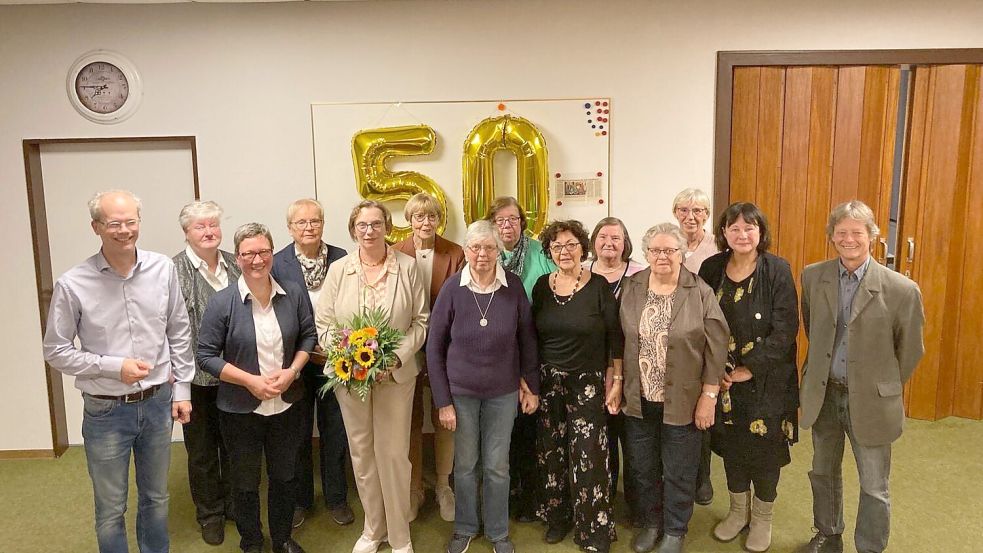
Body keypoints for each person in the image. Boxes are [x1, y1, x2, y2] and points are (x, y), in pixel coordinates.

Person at [42, 189, 194, 553]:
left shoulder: (163, 268)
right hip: (106, 410)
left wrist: (183, 390)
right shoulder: (73, 283)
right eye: (114, 224)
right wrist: (113, 367)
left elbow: (178, 328)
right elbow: (55, 351)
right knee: (111, 508)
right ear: (96, 227)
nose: (124, 231)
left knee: (157, 498)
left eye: (131, 222)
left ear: (139, 222)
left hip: (158, 402)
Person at [797, 201, 925, 553]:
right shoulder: (812, 276)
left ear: (872, 236)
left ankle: (869, 546)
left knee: (873, 484)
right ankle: (828, 533)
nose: (849, 239)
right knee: (822, 471)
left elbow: (910, 350)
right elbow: (814, 330)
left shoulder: (902, 290)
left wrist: (881, 384)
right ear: (831, 237)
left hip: (871, 401)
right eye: (841, 233)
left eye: (857, 232)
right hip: (824, 395)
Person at [316, 200, 428, 553]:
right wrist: (349, 355)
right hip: (351, 378)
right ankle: (373, 530)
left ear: (387, 227)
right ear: (353, 229)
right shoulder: (338, 271)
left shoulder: (408, 268)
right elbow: (325, 324)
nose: (369, 231)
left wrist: (394, 357)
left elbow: (421, 321)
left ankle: (399, 537)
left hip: (395, 377)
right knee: (362, 454)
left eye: (376, 224)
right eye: (362, 225)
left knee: (393, 455)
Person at [197, 223, 315, 553]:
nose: (258, 260)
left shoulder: (293, 291)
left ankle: (282, 538)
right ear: (237, 259)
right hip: (239, 410)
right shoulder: (222, 303)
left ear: (272, 254)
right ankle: (251, 541)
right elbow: (205, 355)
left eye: (264, 251)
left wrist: (292, 371)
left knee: (285, 476)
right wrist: (249, 380)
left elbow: (308, 336)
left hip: (288, 405)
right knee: (245, 483)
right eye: (249, 253)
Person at [427, 220, 539, 553]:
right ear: (466, 251)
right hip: (461, 394)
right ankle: (464, 527)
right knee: (464, 465)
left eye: (489, 247)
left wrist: (530, 385)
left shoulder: (513, 287)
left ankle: (498, 531)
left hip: (503, 393)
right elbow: (434, 346)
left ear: (497, 251)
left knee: (497, 465)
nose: (482, 254)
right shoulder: (452, 289)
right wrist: (442, 401)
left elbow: (528, 339)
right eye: (475, 247)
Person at [619, 223, 728, 553]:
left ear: (681, 254)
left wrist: (709, 396)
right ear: (646, 253)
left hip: (682, 400)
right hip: (638, 399)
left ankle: (675, 530)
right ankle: (652, 523)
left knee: (680, 470)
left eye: (670, 250)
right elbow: (619, 338)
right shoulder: (632, 286)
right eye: (655, 250)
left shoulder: (700, 291)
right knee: (641, 466)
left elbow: (717, 347)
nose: (662, 256)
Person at [698, 203, 799, 552]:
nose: (742, 234)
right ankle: (738, 511)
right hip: (722, 378)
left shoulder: (777, 270)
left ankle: (762, 517)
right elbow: (701, 321)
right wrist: (718, 371)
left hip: (767, 379)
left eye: (749, 228)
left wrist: (747, 368)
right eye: (734, 228)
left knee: (765, 450)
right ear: (723, 233)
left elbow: (786, 330)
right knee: (732, 446)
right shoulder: (712, 268)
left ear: (761, 232)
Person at [533, 219, 622, 553]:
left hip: (588, 382)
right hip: (549, 382)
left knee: (588, 456)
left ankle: (593, 529)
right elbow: (533, 335)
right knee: (551, 452)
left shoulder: (598, 286)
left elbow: (616, 339)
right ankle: (558, 518)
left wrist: (617, 381)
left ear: (583, 248)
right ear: (549, 252)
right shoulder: (542, 286)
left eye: (571, 244)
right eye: (557, 246)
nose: (564, 251)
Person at [270, 198, 353, 528]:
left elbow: (350, 304)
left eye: (315, 221)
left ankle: (336, 497)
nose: (309, 228)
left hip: (335, 359)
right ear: (289, 228)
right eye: (301, 223)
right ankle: (301, 499)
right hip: (296, 363)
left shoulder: (341, 258)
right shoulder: (277, 264)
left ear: (323, 223)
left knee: (335, 431)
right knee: (298, 434)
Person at [394, 192, 466, 523]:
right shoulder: (395, 254)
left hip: (446, 348)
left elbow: (462, 304)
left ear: (439, 220)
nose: (425, 223)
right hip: (406, 347)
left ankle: (442, 485)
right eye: (418, 217)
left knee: (443, 415)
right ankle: (413, 487)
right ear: (409, 221)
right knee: (408, 417)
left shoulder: (456, 253)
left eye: (431, 217)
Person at [173, 200, 241, 545]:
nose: (209, 231)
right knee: (201, 453)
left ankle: (233, 505)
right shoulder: (172, 271)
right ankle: (210, 514)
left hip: (235, 376)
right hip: (194, 380)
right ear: (186, 232)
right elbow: (166, 328)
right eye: (200, 227)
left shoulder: (235, 264)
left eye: (213, 225)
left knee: (233, 446)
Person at [484, 195, 554, 522]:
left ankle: (529, 496)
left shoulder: (541, 251)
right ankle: (505, 496)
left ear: (522, 222)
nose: (507, 225)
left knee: (529, 429)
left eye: (513, 219)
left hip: (533, 349)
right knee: (500, 431)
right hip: (496, 355)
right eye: (500, 220)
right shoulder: (486, 254)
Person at [585, 217, 646, 523]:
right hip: (592, 367)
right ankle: (603, 497)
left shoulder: (639, 274)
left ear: (626, 243)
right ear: (593, 241)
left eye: (616, 238)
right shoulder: (582, 273)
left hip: (631, 368)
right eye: (603, 237)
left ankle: (637, 506)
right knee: (601, 438)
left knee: (631, 438)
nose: (609, 243)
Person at [670, 188, 719, 504]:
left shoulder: (717, 249)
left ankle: (702, 478)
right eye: (684, 209)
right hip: (672, 339)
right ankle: (674, 475)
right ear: (675, 212)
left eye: (699, 210)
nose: (691, 216)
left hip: (703, 337)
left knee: (703, 406)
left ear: (707, 214)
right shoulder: (667, 242)